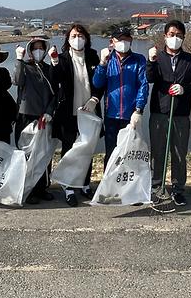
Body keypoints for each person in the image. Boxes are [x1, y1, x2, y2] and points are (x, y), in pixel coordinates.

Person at [147, 20, 191, 206]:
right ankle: (157, 187)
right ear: (165, 36)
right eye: (171, 34)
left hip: (181, 113)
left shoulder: (190, 60)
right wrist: (151, 62)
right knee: (158, 151)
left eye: (179, 35)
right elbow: (150, 78)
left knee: (179, 153)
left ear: (183, 37)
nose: (175, 38)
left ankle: (178, 189)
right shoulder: (158, 57)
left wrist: (184, 89)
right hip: (160, 111)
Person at [52, 24, 104, 206]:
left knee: (87, 148)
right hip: (69, 112)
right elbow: (56, 79)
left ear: (87, 38)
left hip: (89, 111)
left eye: (80, 35)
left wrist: (95, 99)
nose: (77, 38)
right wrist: (54, 63)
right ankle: (68, 186)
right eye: (74, 35)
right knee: (69, 149)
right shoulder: (63, 58)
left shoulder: (92, 56)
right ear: (67, 39)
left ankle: (84, 184)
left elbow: (100, 81)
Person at [92, 26, 148, 170]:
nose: (123, 42)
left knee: (129, 152)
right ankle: (108, 186)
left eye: (126, 39)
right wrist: (102, 64)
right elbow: (97, 84)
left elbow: (143, 85)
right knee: (111, 152)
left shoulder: (138, 60)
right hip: (111, 114)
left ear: (131, 40)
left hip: (131, 115)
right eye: (120, 39)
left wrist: (139, 109)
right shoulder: (108, 60)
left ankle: (126, 187)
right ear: (112, 41)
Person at [14, 35, 60, 204]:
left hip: (45, 117)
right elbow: (17, 81)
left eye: (41, 48)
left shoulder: (49, 69)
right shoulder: (24, 67)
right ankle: (27, 189)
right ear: (30, 51)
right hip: (26, 116)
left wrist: (49, 111)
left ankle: (42, 188)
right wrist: (19, 59)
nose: (38, 51)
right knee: (27, 155)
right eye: (35, 48)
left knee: (44, 154)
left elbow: (57, 92)